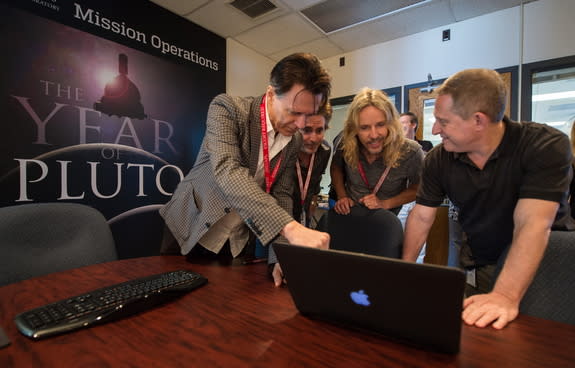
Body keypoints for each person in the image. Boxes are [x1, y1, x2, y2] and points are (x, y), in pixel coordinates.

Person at [402, 68, 575, 329]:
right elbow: (422, 215)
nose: (436, 129)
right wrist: (404, 270)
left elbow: (533, 224)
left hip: (547, 266)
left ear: (478, 121)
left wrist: (505, 295)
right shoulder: (439, 159)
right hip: (486, 262)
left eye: (444, 121)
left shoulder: (544, 145)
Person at [159, 52, 332, 287]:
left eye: (309, 114)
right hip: (192, 226)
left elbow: (281, 194)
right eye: (294, 112)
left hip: (236, 239)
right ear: (271, 94)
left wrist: (282, 255)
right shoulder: (227, 109)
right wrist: (291, 229)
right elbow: (228, 171)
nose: (301, 124)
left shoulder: (294, 142)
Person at [330, 88, 424, 218]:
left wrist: (385, 204)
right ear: (354, 129)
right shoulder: (346, 144)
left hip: (387, 224)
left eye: (380, 125)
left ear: (391, 123)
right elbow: (336, 168)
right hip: (351, 219)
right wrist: (342, 196)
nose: (374, 135)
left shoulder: (411, 152)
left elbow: (418, 187)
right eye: (364, 127)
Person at [293, 103, 332, 228]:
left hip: (305, 211)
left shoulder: (324, 151)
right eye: (306, 130)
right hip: (280, 211)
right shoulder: (285, 150)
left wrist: (314, 201)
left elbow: (316, 180)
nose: (314, 139)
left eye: (319, 130)